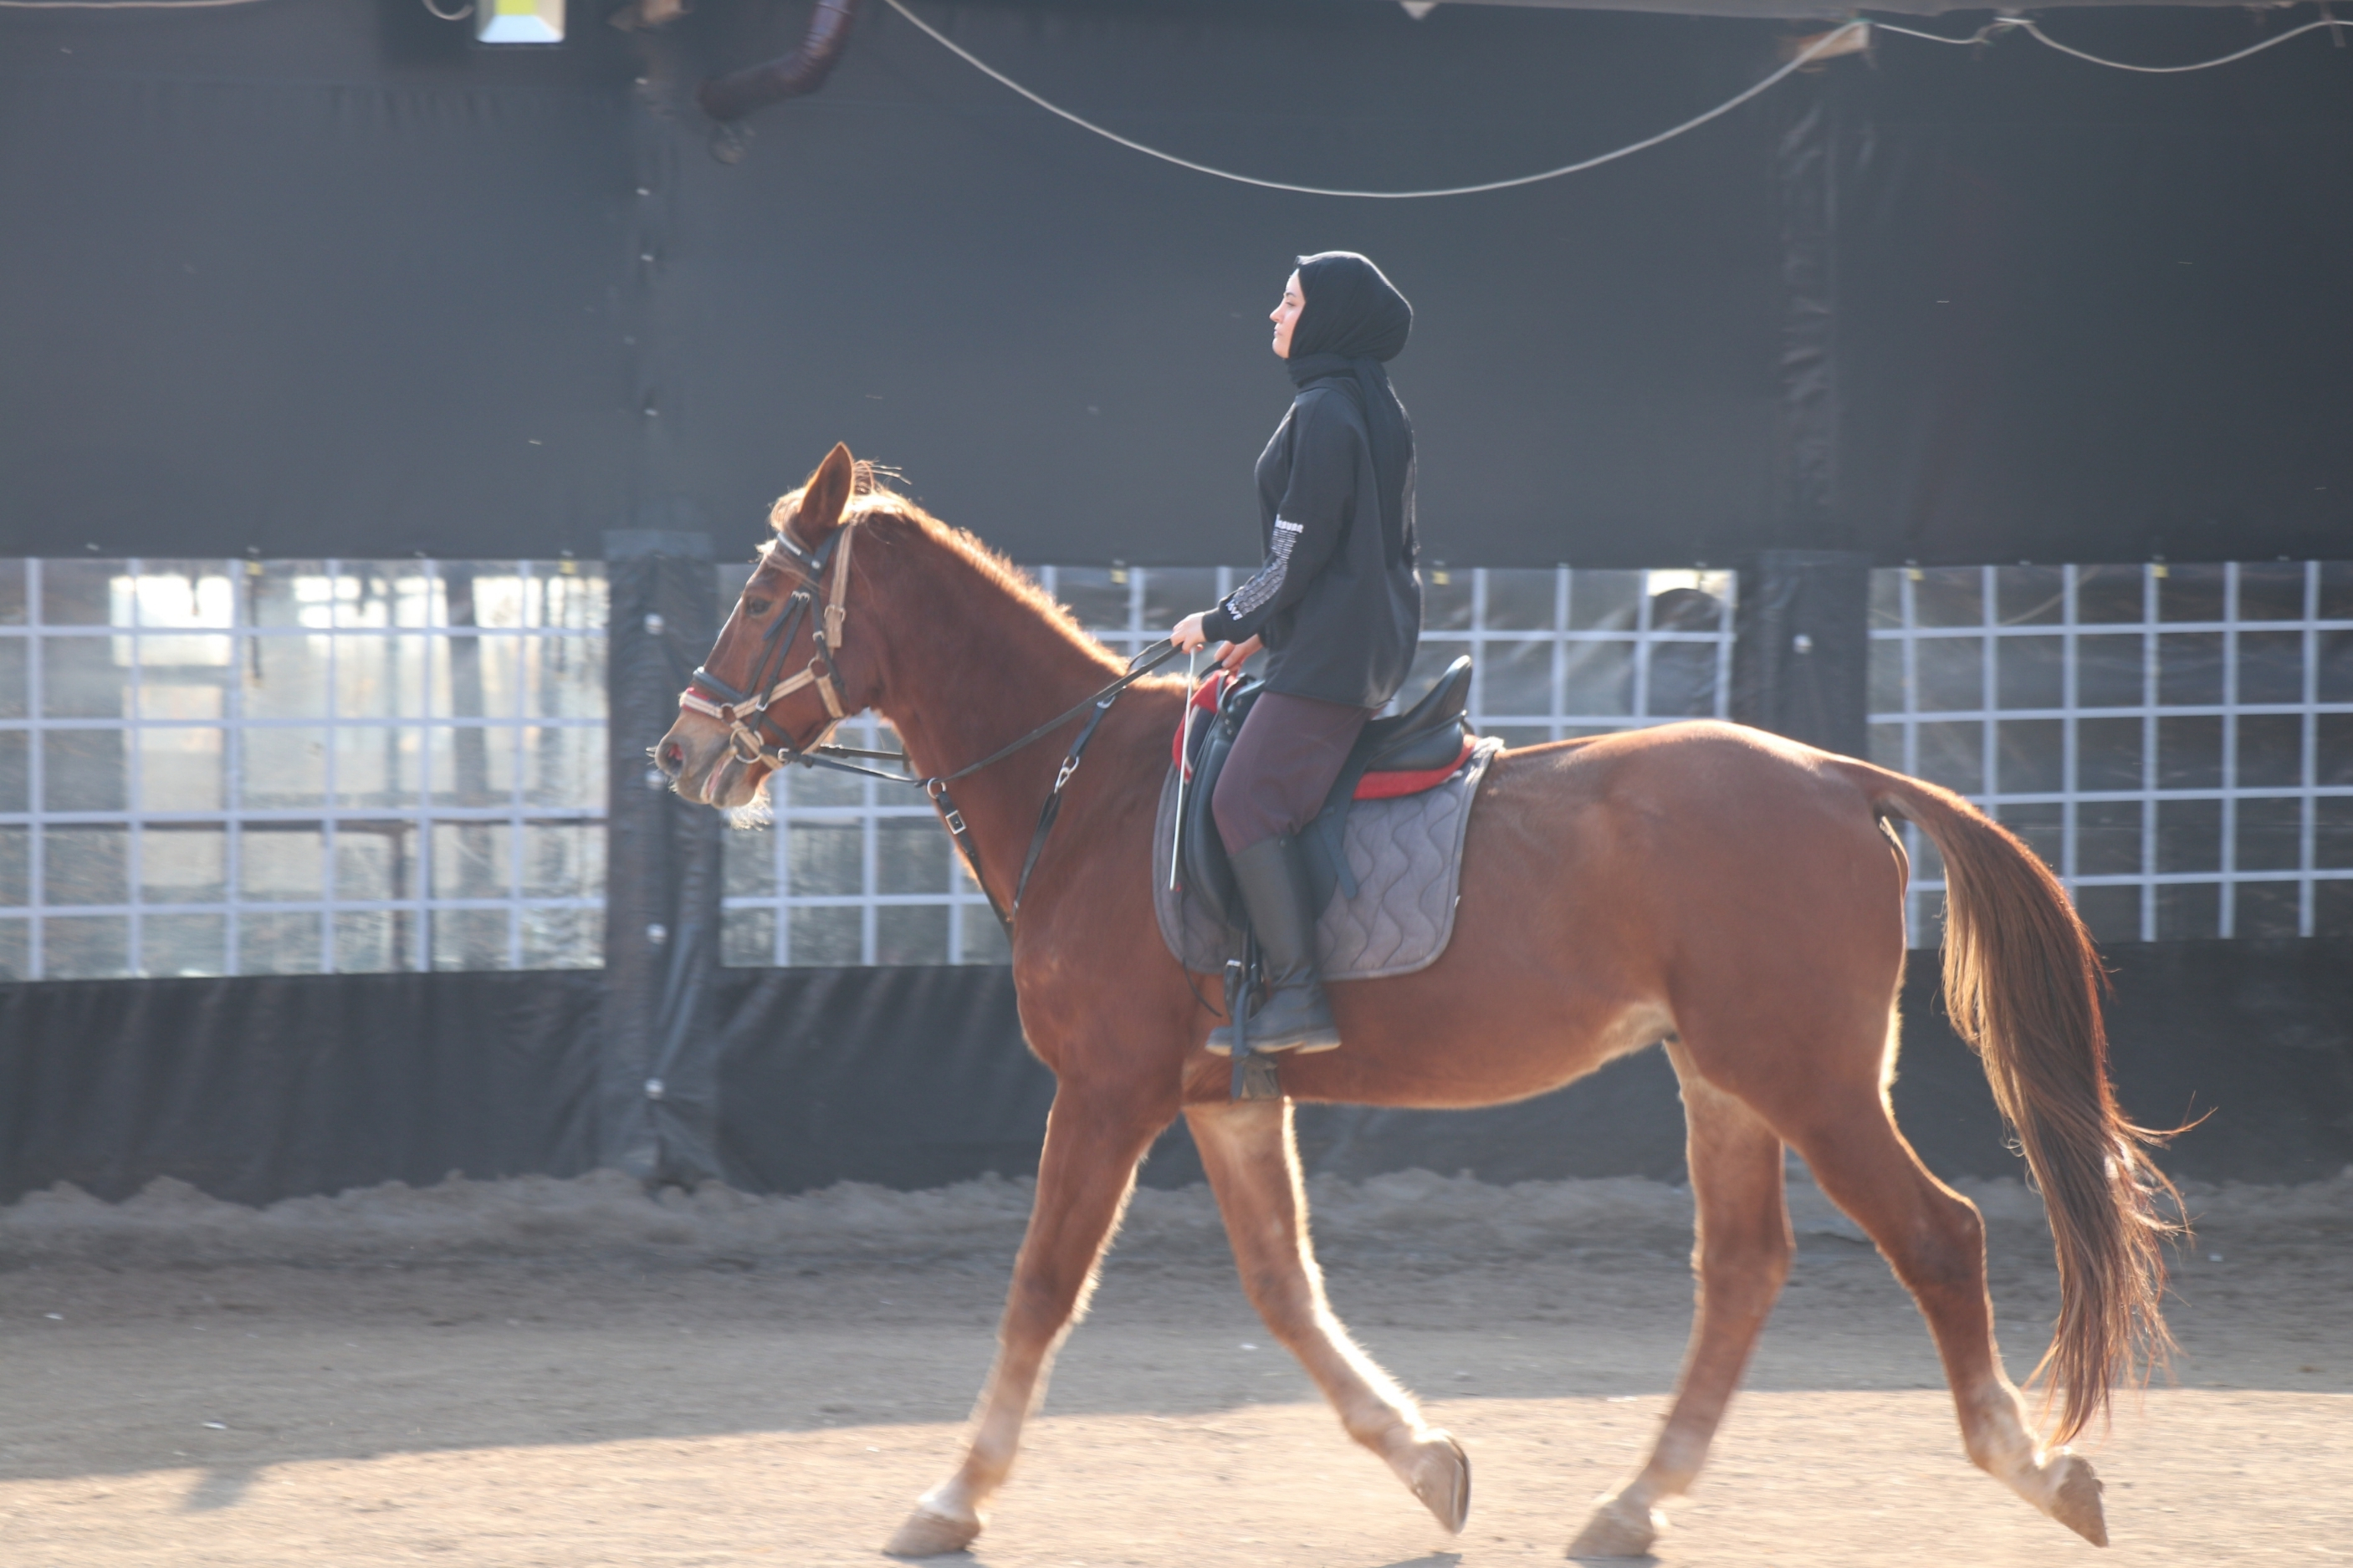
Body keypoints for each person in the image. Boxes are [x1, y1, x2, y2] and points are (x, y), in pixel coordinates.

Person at [1171, 252, 1422, 1055]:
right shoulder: (1374, 408)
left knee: (1242, 802)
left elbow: (1296, 556)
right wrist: (1259, 635)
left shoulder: (1323, 410)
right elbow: (1347, 553)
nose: (1274, 315)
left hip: (1331, 661)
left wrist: (1217, 620)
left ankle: (1301, 997)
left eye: (1288, 302)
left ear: (1327, 318)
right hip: (1352, 646)